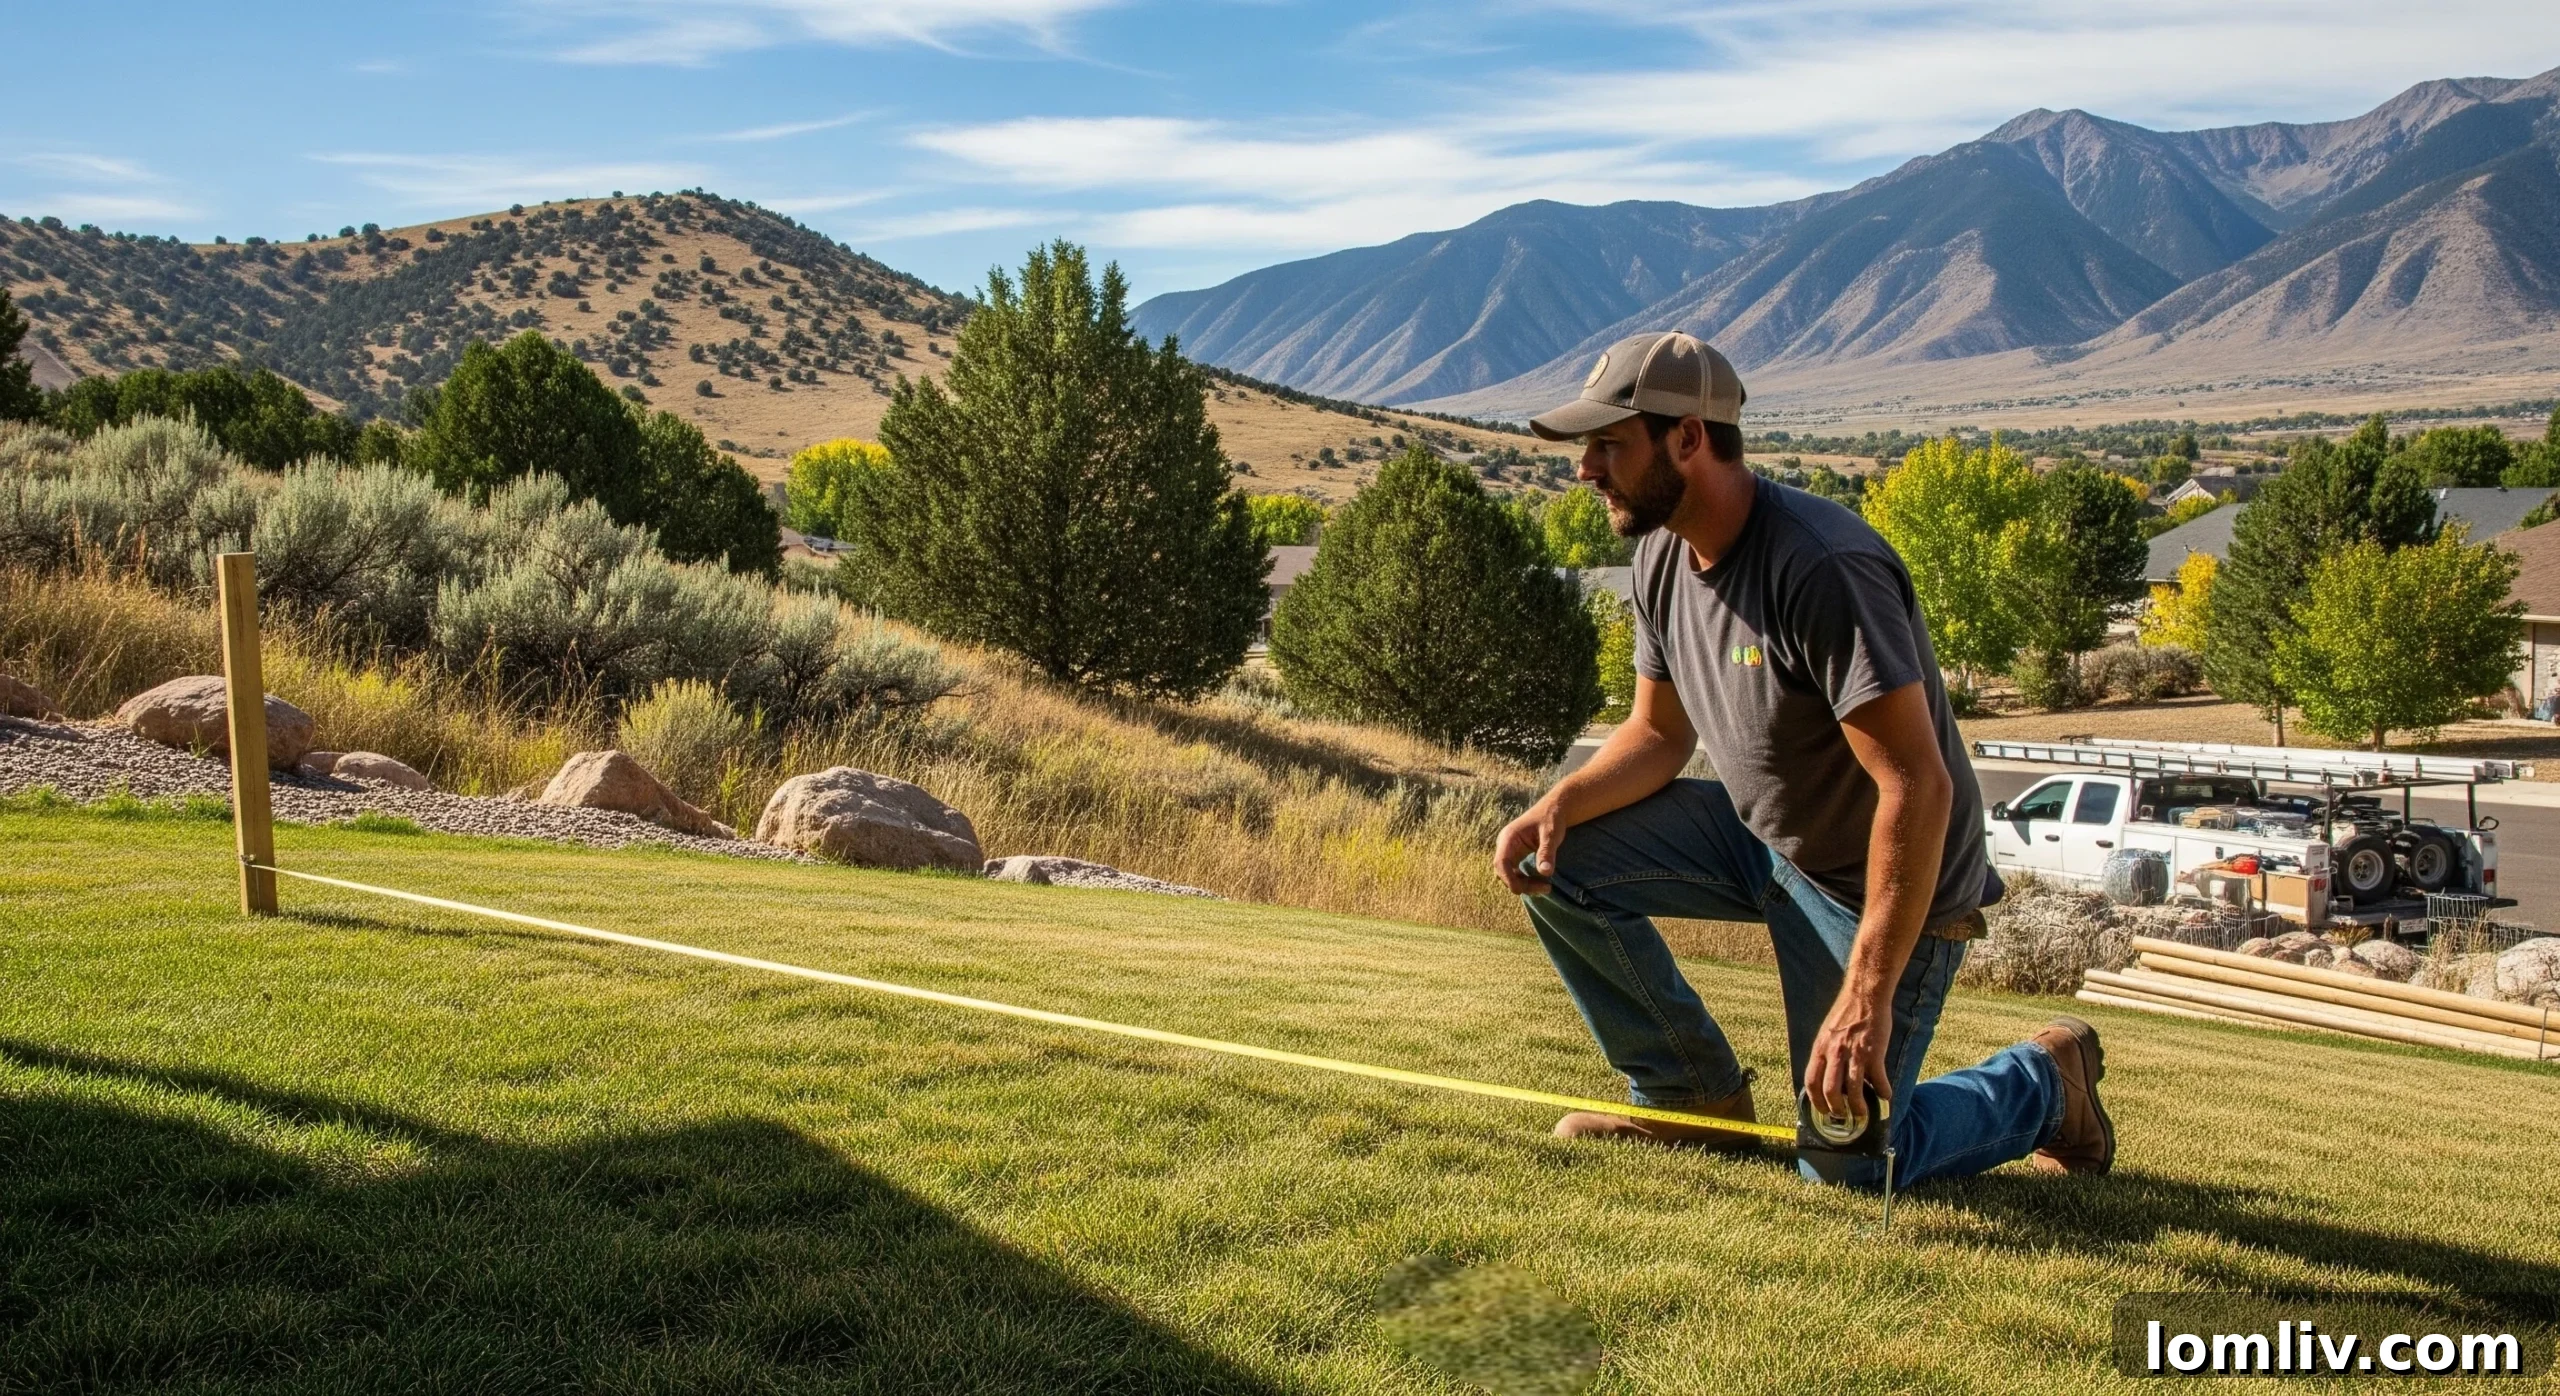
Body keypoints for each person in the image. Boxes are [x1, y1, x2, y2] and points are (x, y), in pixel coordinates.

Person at [1492, 330, 2112, 1189]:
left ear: (1688, 438)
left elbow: (1916, 782)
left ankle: (2046, 1086)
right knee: (1554, 860)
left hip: (1882, 883)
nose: (1586, 469)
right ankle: (1690, 1100)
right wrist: (1563, 802)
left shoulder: (1822, 566)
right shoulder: (1662, 555)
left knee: (1844, 1166)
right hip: (1761, 843)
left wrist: (1865, 995)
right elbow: (1659, 737)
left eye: (1608, 445)